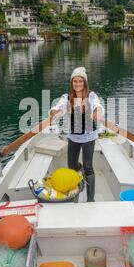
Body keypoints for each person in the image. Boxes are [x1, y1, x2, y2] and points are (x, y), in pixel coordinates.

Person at [49, 67, 104, 202]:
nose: (78, 84)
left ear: (84, 82)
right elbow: (59, 107)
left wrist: (97, 111)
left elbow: (98, 105)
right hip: (73, 137)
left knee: (89, 166)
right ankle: (80, 175)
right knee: (72, 166)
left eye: (80, 81)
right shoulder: (66, 97)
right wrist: (53, 112)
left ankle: (91, 199)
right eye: (75, 81)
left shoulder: (91, 96)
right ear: (72, 83)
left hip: (88, 136)